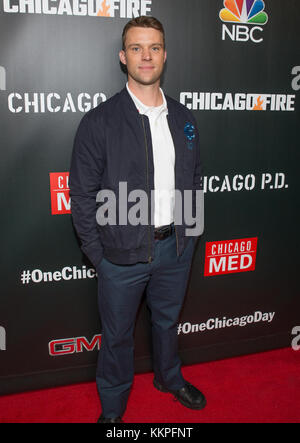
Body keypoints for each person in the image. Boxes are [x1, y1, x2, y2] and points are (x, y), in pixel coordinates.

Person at [69, 16, 205, 423]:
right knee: (117, 338)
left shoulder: (184, 119)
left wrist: (189, 237)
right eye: (136, 48)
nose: (146, 56)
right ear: (123, 57)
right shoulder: (99, 122)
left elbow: (195, 180)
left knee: (167, 323)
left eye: (155, 47)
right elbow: (81, 196)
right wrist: (101, 255)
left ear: (165, 55)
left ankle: (168, 377)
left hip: (175, 250)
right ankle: (112, 410)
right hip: (120, 258)